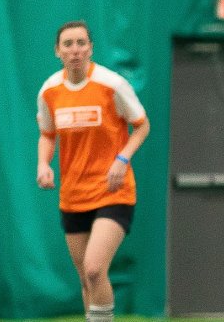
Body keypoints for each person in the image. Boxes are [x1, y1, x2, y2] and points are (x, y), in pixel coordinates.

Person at [35, 21, 151, 322]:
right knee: (87, 279)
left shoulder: (111, 84)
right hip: (73, 196)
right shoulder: (49, 91)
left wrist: (122, 159)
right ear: (57, 51)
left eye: (81, 43)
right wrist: (43, 165)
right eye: (68, 44)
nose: (75, 50)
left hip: (113, 191)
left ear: (91, 48)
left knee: (94, 268)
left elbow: (141, 125)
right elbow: (47, 134)